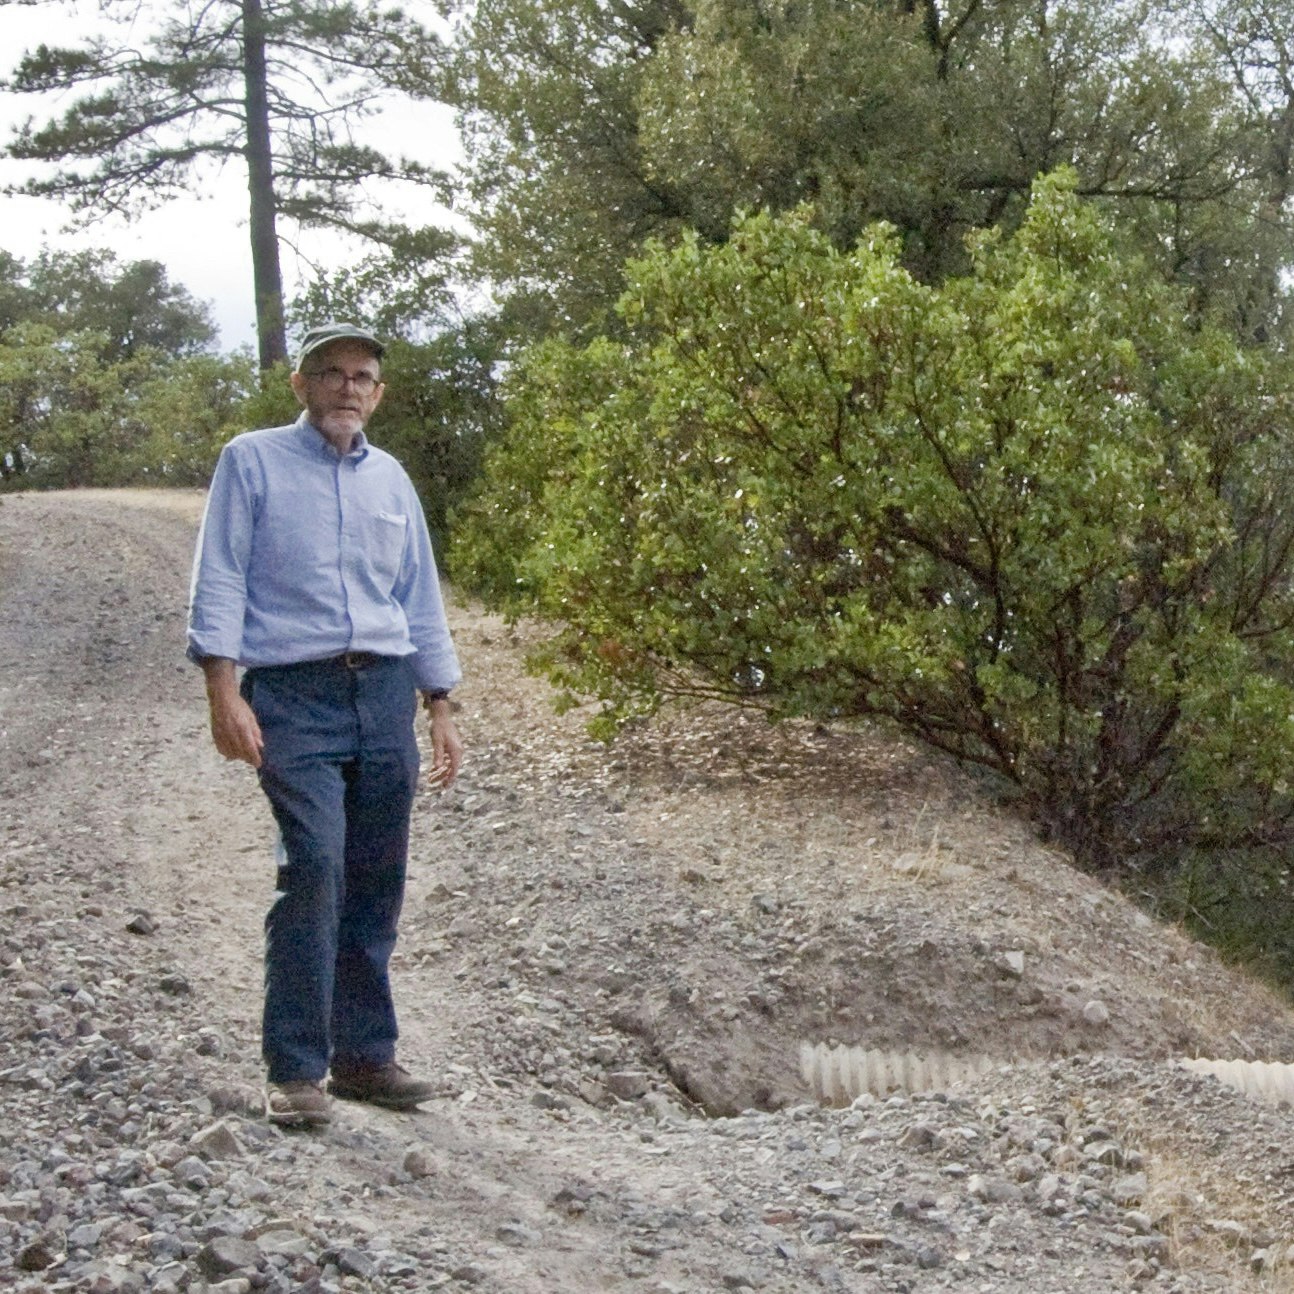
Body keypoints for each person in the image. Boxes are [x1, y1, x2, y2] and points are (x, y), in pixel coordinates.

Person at [187, 322, 463, 1128]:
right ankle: (296, 1068)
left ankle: (365, 1058)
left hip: (382, 694)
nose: (348, 386)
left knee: (376, 877)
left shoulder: (392, 482)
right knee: (313, 866)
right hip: (293, 697)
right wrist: (222, 691)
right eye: (332, 372)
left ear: (379, 393)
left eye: (363, 376)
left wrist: (439, 704)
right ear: (300, 385)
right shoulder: (252, 461)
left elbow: (418, 598)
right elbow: (220, 574)